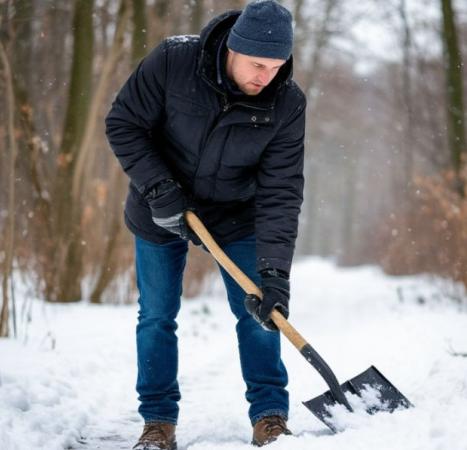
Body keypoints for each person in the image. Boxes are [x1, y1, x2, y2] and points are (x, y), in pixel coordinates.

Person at [105, 1, 305, 448]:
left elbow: (281, 192)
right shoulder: (174, 61)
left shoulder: (287, 104)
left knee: (260, 314)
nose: (266, 77)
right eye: (257, 64)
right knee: (157, 314)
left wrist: (274, 273)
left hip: (236, 215)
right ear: (233, 47)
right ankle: (158, 421)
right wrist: (159, 187)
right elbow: (124, 123)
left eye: (276, 67)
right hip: (161, 203)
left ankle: (270, 417)